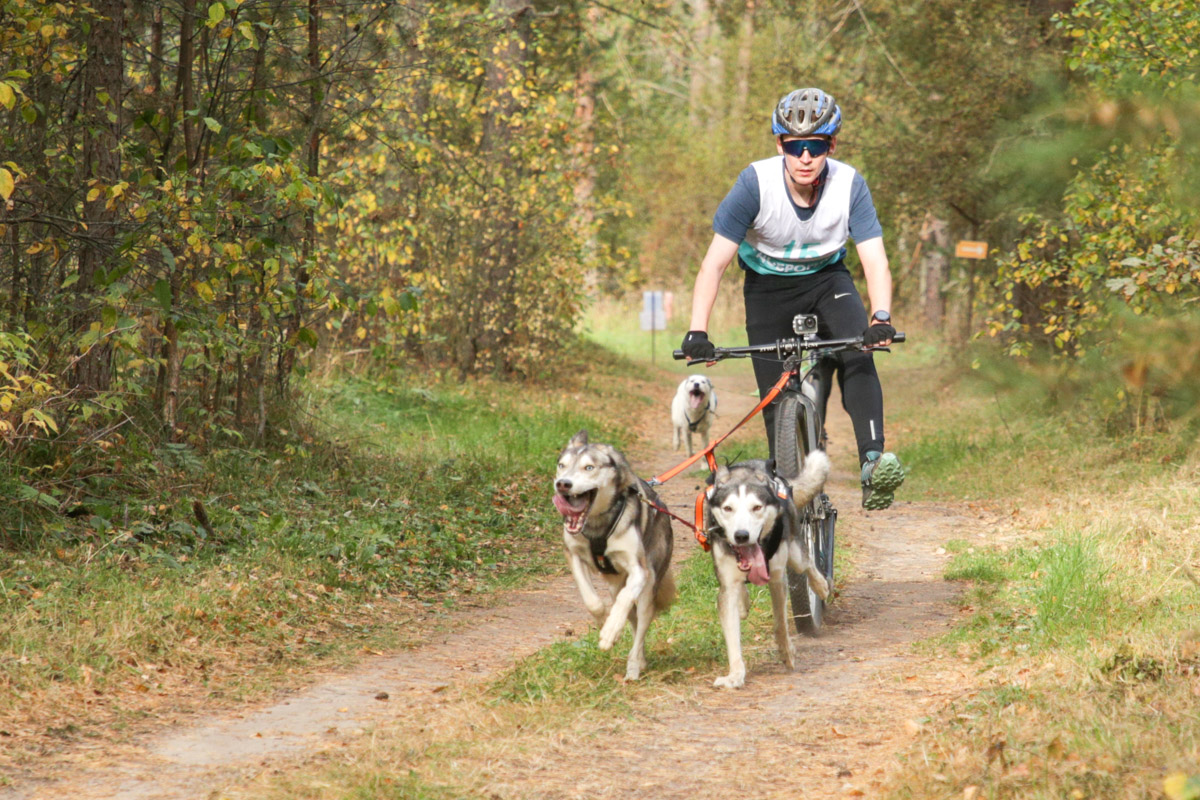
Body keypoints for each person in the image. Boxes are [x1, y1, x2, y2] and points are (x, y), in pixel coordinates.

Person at [679, 87, 905, 510]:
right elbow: (713, 265)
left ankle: (873, 463)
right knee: (775, 396)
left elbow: (874, 260)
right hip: (767, 290)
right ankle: (787, 489)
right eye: (794, 145)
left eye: (815, 146)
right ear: (779, 144)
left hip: (828, 282)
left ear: (831, 145)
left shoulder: (849, 184)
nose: (805, 156)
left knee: (859, 351)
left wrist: (880, 317)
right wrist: (697, 330)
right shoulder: (753, 184)